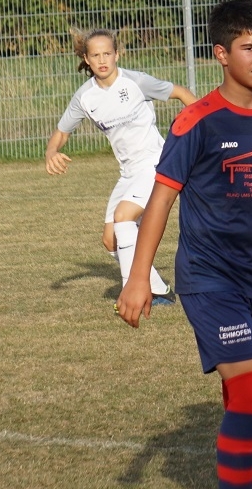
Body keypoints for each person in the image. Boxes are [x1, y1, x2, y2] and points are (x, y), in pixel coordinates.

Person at [115, 0, 252, 489]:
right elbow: (160, 200)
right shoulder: (197, 120)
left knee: (246, 396)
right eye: (249, 47)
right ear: (221, 53)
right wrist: (138, 279)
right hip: (208, 278)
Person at [45, 28, 196, 304]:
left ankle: (131, 293)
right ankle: (158, 289)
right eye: (95, 55)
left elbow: (182, 93)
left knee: (123, 216)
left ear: (117, 54)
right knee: (111, 241)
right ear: (86, 59)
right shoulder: (85, 97)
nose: (102, 60)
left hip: (155, 162)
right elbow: (62, 132)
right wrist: (51, 151)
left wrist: (203, 125)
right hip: (128, 172)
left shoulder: (136, 82)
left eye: (107, 53)